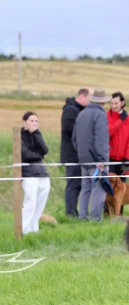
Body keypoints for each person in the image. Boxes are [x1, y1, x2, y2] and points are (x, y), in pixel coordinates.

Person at [73, 88, 110, 222]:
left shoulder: (81, 114)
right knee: (98, 189)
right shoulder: (100, 115)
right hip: (96, 160)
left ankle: (83, 217)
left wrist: (81, 154)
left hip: (84, 159)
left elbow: (74, 139)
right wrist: (102, 159)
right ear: (103, 102)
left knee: (85, 189)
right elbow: (101, 140)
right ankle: (95, 219)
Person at [61, 88, 90, 217]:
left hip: (77, 153)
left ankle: (74, 210)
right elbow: (67, 128)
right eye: (89, 99)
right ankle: (70, 212)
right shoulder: (71, 110)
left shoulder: (77, 109)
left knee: (77, 185)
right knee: (73, 184)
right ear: (82, 97)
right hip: (72, 154)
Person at [21, 112, 50, 234]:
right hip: (29, 174)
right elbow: (25, 154)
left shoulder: (37, 135)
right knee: (30, 203)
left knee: (40, 204)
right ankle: (23, 229)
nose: (34, 123)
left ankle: (34, 229)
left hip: (42, 173)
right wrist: (40, 155)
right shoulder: (20, 136)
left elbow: (45, 149)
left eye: (36, 121)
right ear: (24, 122)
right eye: (31, 121)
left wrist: (36, 133)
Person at [107, 91, 129, 176]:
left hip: (123, 159)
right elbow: (109, 132)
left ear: (122, 103)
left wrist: (127, 157)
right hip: (109, 158)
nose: (113, 106)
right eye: (112, 103)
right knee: (108, 183)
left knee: (121, 183)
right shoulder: (106, 116)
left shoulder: (128, 119)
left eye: (116, 103)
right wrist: (121, 120)